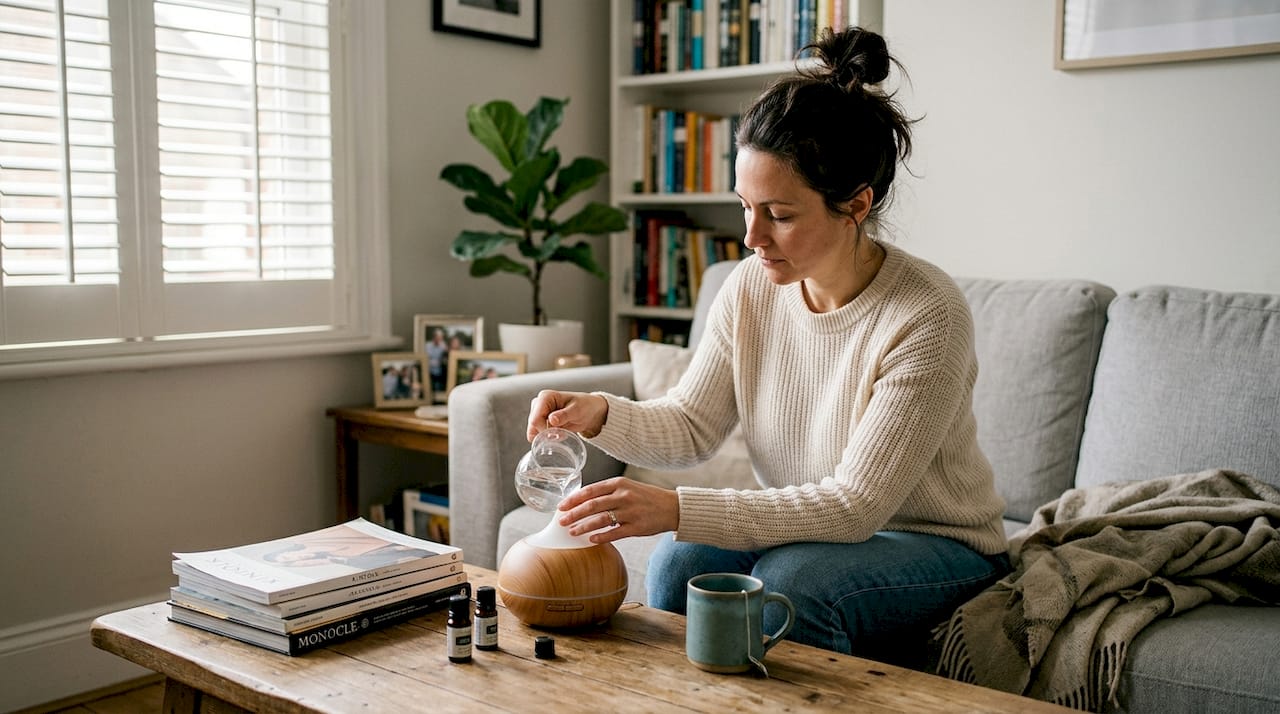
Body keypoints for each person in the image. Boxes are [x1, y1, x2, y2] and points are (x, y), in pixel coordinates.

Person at [525, 26, 1009, 666]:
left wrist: (674, 506)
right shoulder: (751, 286)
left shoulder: (926, 314)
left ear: (855, 205)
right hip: (819, 528)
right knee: (678, 565)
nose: (751, 236)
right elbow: (692, 425)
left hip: (935, 544)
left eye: (778, 214)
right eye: (743, 206)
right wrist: (602, 415)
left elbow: (853, 507)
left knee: (794, 585)